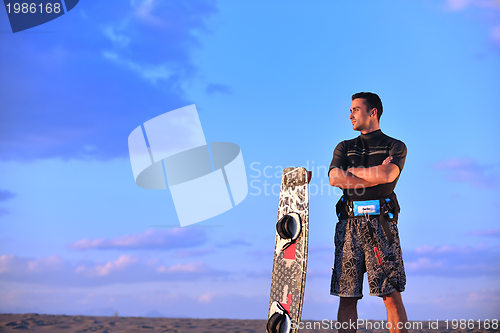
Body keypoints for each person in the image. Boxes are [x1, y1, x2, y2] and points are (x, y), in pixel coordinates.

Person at [328, 92, 408, 333]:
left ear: (372, 112)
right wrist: (372, 174)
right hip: (348, 225)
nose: (350, 114)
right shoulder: (345, 146)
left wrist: (351, 172)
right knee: (347, 295)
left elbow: (388, 175)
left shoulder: (395, 145)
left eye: (355, 109)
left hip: (381, 224)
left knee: (390, 293)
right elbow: (334, 178)